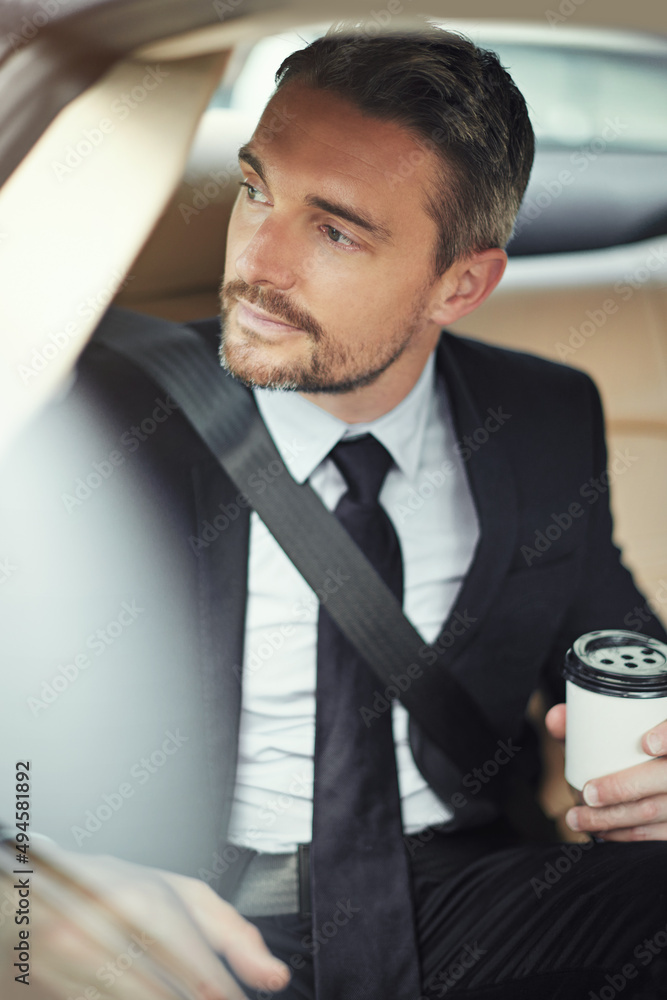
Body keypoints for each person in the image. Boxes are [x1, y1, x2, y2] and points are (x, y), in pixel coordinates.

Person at [4, 20, 667, 1000]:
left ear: (461, 283)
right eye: (255, 190)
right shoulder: (86, 404)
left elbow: (623, 653)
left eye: (334, 229)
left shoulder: (541, 417)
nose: (256, 261)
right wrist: (33, 879)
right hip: (180, 909)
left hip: (469, 891)